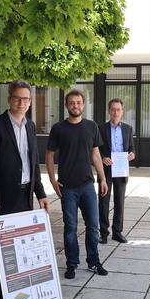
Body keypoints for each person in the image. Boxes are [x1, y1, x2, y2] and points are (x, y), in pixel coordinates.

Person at [0, 81, 50, 299]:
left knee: (20, 252)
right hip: (4, 198)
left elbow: (34, 163)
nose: (22, 103)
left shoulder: (30, 126)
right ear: (9, 99)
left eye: (26, 99)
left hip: (25, 196)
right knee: (1, 252)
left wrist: (41, 193)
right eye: (18, 98)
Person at [46, 89, 109, 279]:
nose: (75, 105)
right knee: (70, 228)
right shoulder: (58, 128)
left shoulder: (91, 127)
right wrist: (52, 180)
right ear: (66, 105)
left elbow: (95, 154)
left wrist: (103, 178)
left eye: (78, 102)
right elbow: (49, 155)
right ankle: (71, 264)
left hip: (88, 186)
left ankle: (94, 261)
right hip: (68, 187)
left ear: (83, 104)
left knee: (93, 226)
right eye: (72, 102)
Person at [98, 98, 135, 244]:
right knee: (103, 201)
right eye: (113, 109)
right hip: (106, 169)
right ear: (109, 111)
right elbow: (95, 149)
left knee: (119, 201)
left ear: (122, 111)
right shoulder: (101, 128)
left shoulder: (128, 129)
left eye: (118, 109)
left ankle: (117, 232)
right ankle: (104, 233)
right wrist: (102, 158)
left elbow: (131, 147)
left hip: (121, 169)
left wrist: (132, 154)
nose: (115, 112)